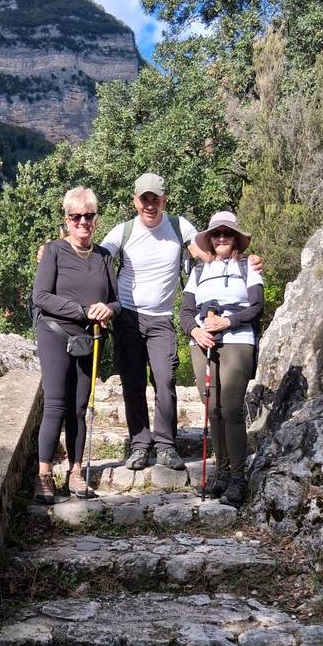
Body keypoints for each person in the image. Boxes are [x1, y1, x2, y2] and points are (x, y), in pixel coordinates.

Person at [100, 173, 202, 470]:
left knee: (165, 378)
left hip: (161, 318)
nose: (150, 204)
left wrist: (243, 262)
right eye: (144, 199)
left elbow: (204, 253)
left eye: (155, 198)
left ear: (164, 199)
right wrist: (57, 251)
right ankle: (140, 445)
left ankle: (166, 446)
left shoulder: (179, 226)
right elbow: (96, 260)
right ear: (135, 200)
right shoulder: (124, 231)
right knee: (133, 381)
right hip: (128, 316)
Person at [32, 187, 121, 504]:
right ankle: (43, 476)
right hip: (55, 333)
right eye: (76, 216)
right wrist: (82, 311)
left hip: (89, 339)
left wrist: (108, 309)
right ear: (67, 220)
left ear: (96, 220)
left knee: (79, 409)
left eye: (89, 216)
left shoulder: (104, 257)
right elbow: (40, 297)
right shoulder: (54, 251)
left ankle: (76, 472)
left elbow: (117, 300)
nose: (83, 222)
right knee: (56, 403)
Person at [179, 211, 263, 509]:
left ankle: (238, 478)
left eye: (227, 233)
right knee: (212, 409)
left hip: (238, 341)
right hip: (203, 342)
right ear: (210, 240)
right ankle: (223, 472)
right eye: (217, 234)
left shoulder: (247, 267)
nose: (222, 238)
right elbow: (185, 311)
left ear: (236, 237)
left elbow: (256, 307)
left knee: (230, 408)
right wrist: (195, 331)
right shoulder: (198, 272)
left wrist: (228, 323)